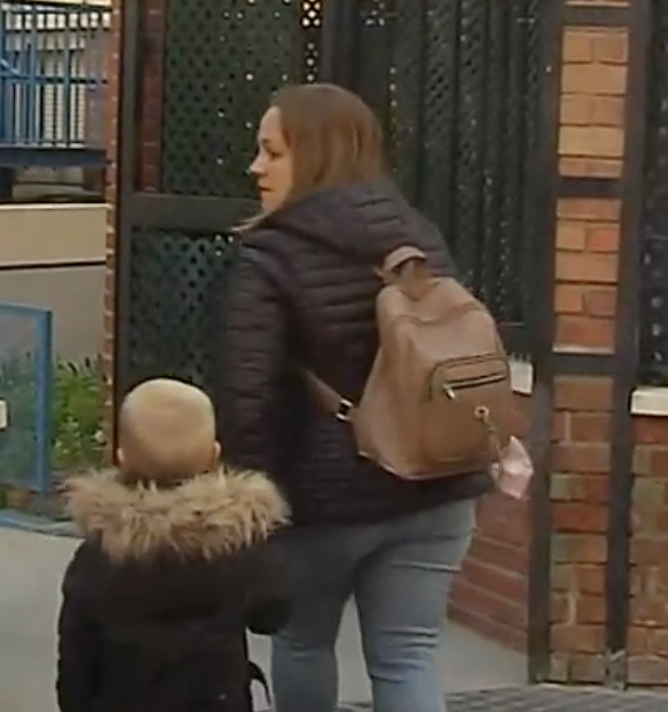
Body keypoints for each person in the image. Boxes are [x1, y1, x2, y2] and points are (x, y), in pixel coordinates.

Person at [212, 83, 490, 712]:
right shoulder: (419, 237)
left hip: (322, 502)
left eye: (271, 152)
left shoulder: (268, 257)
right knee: (409, 655)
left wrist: (252, 510)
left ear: (314, 156)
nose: (256, 167)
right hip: (437, 482)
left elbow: (245, 399)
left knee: (304, 643)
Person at [56, 378, 291, 712]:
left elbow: (77, 654)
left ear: (121, 457)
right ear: (214, 455)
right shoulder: (236, 546)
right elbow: (273, 613)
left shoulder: (99, 555)